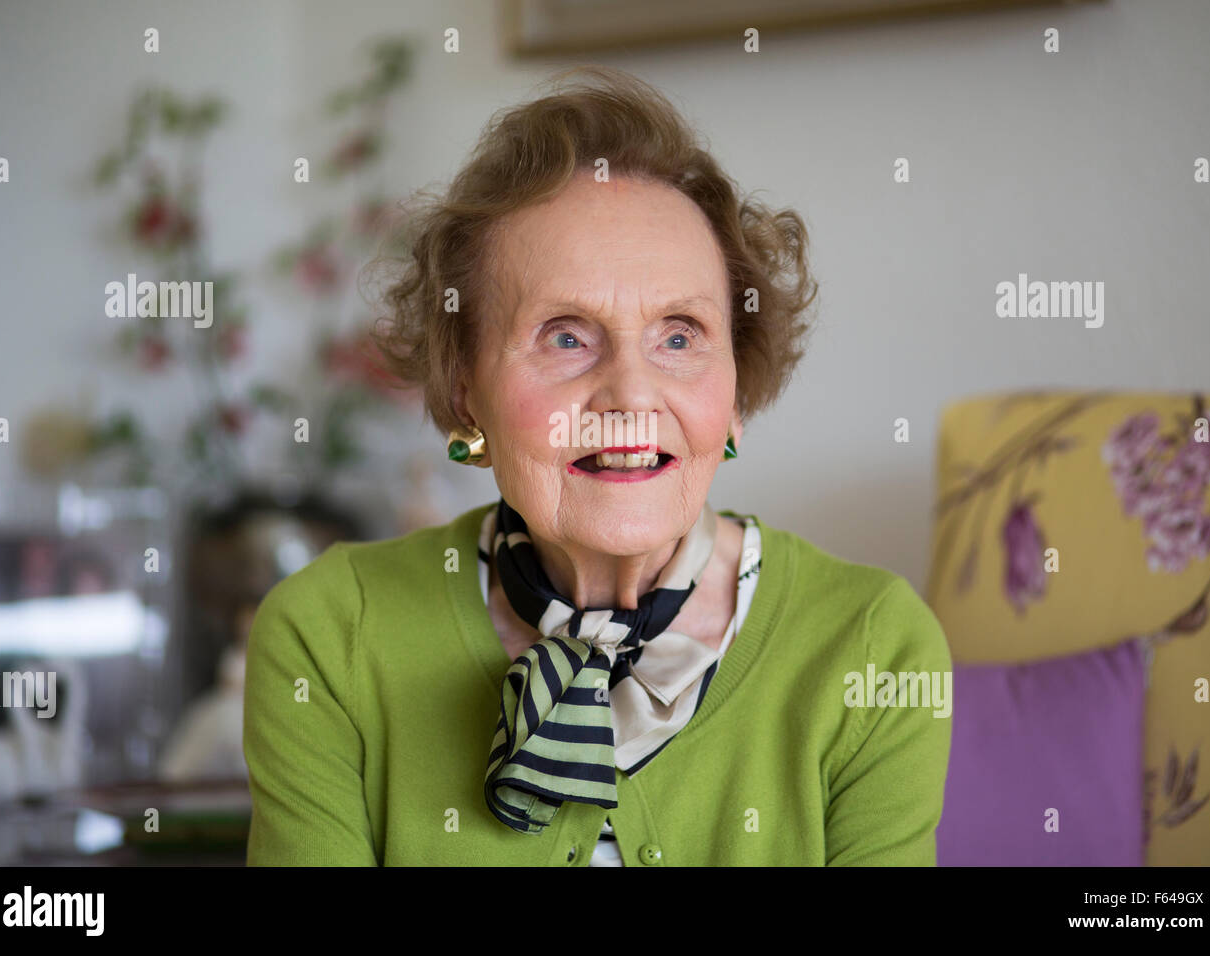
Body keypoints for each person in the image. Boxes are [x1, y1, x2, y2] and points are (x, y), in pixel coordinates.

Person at [242, 66, 951, 866]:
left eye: (679, 335)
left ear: (737, 394)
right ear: (466, 389)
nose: (631, 394)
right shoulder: (331, 636)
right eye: (566, 336)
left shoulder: (869, 647)